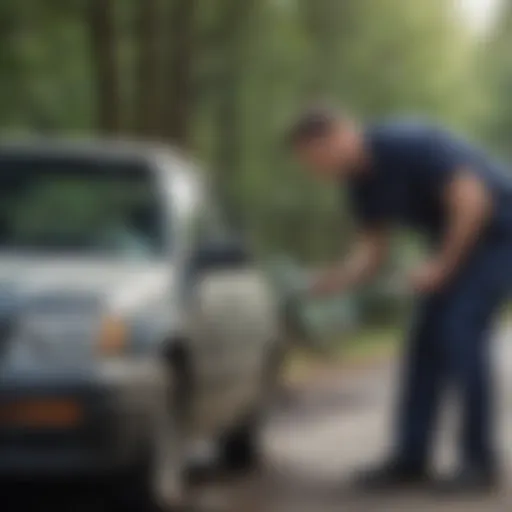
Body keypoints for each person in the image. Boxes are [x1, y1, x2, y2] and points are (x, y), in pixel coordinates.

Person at [286, 106, 512, 493]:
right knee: (424, 342)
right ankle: (411, 459)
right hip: (457, 241)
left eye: (314, 159)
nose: (316, 171)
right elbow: (371, 254)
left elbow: (473, 201)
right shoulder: (360, 183)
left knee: (459, 331)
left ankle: (479, 464)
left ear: (337, 135)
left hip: (499, 232)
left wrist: (441, 266)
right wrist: (333, 279)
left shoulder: (407, 142)